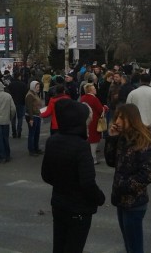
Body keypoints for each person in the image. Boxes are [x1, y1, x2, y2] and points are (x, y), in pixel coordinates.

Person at [41, 99, 105, 253]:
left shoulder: (52, 141)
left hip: (59, 202)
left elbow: (46, 174)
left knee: (59, 245)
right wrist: (99, 197)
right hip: (78, 207)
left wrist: (61, 184)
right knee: (74, 247)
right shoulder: (81, 146)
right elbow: (87, 182)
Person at [105, 103, 151, 253]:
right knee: (128, 243)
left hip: (134, 202)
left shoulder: (143, 141)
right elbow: (111, 162)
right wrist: (112, 138)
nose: (117, 122)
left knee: (134, 247)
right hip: (121, 200)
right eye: (116, 118)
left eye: (122, 118)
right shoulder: (122, 138)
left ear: (132, 119)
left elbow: (147, 175)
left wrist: (124, 185)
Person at [80, 83, 106, 164]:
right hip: (94, 121)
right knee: (94, 140)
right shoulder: (94, 99)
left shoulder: (82, 98)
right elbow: (100, 110)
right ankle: (93, 159)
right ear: (90, 90)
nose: (95, 89)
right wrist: (105, 107)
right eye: (94, 88)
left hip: (85, 121)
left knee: (87, 138)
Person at [25, 80, 43, 157]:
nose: (38, 88)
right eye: (37, 87)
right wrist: (31, 119)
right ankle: (31, 150)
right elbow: (29, 108)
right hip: (32, 116)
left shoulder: (35, 94)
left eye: (39, 87)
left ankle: (36, 148)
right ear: (33, 87)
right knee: (32, 134)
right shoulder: (29, 95)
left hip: (37, 115)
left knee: (36, 133)